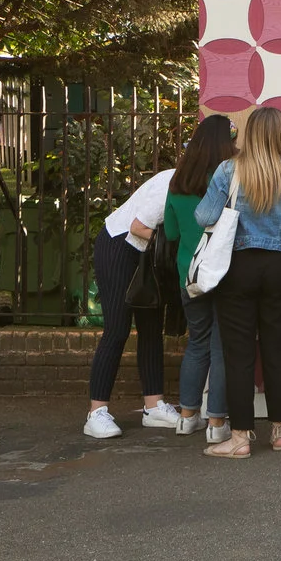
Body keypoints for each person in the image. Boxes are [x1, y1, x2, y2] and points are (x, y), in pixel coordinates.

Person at [198, 105, 281, 458]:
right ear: (278, 135)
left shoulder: (228, 170)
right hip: (280, 267)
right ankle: (279, 431)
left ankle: (240, 438)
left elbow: (204, 216)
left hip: (237, 267)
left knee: (238, 353)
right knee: (279, 350)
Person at [85, 163, 180, 438]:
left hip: (146, 254)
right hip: (119, 245)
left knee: (151, 328)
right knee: (117, 329)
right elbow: (138, 227)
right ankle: (96, 413)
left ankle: (154, 406)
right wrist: (175, 247)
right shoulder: (172, 183)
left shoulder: (198, 183)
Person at [165, 113, 236, 441]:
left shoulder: (177, 182)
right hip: (222, 272)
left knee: (197, 342)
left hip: (189, 274)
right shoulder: (227, 179)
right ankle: (217, 424)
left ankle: (186, 417)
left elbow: (170, 232)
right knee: (221, 346)